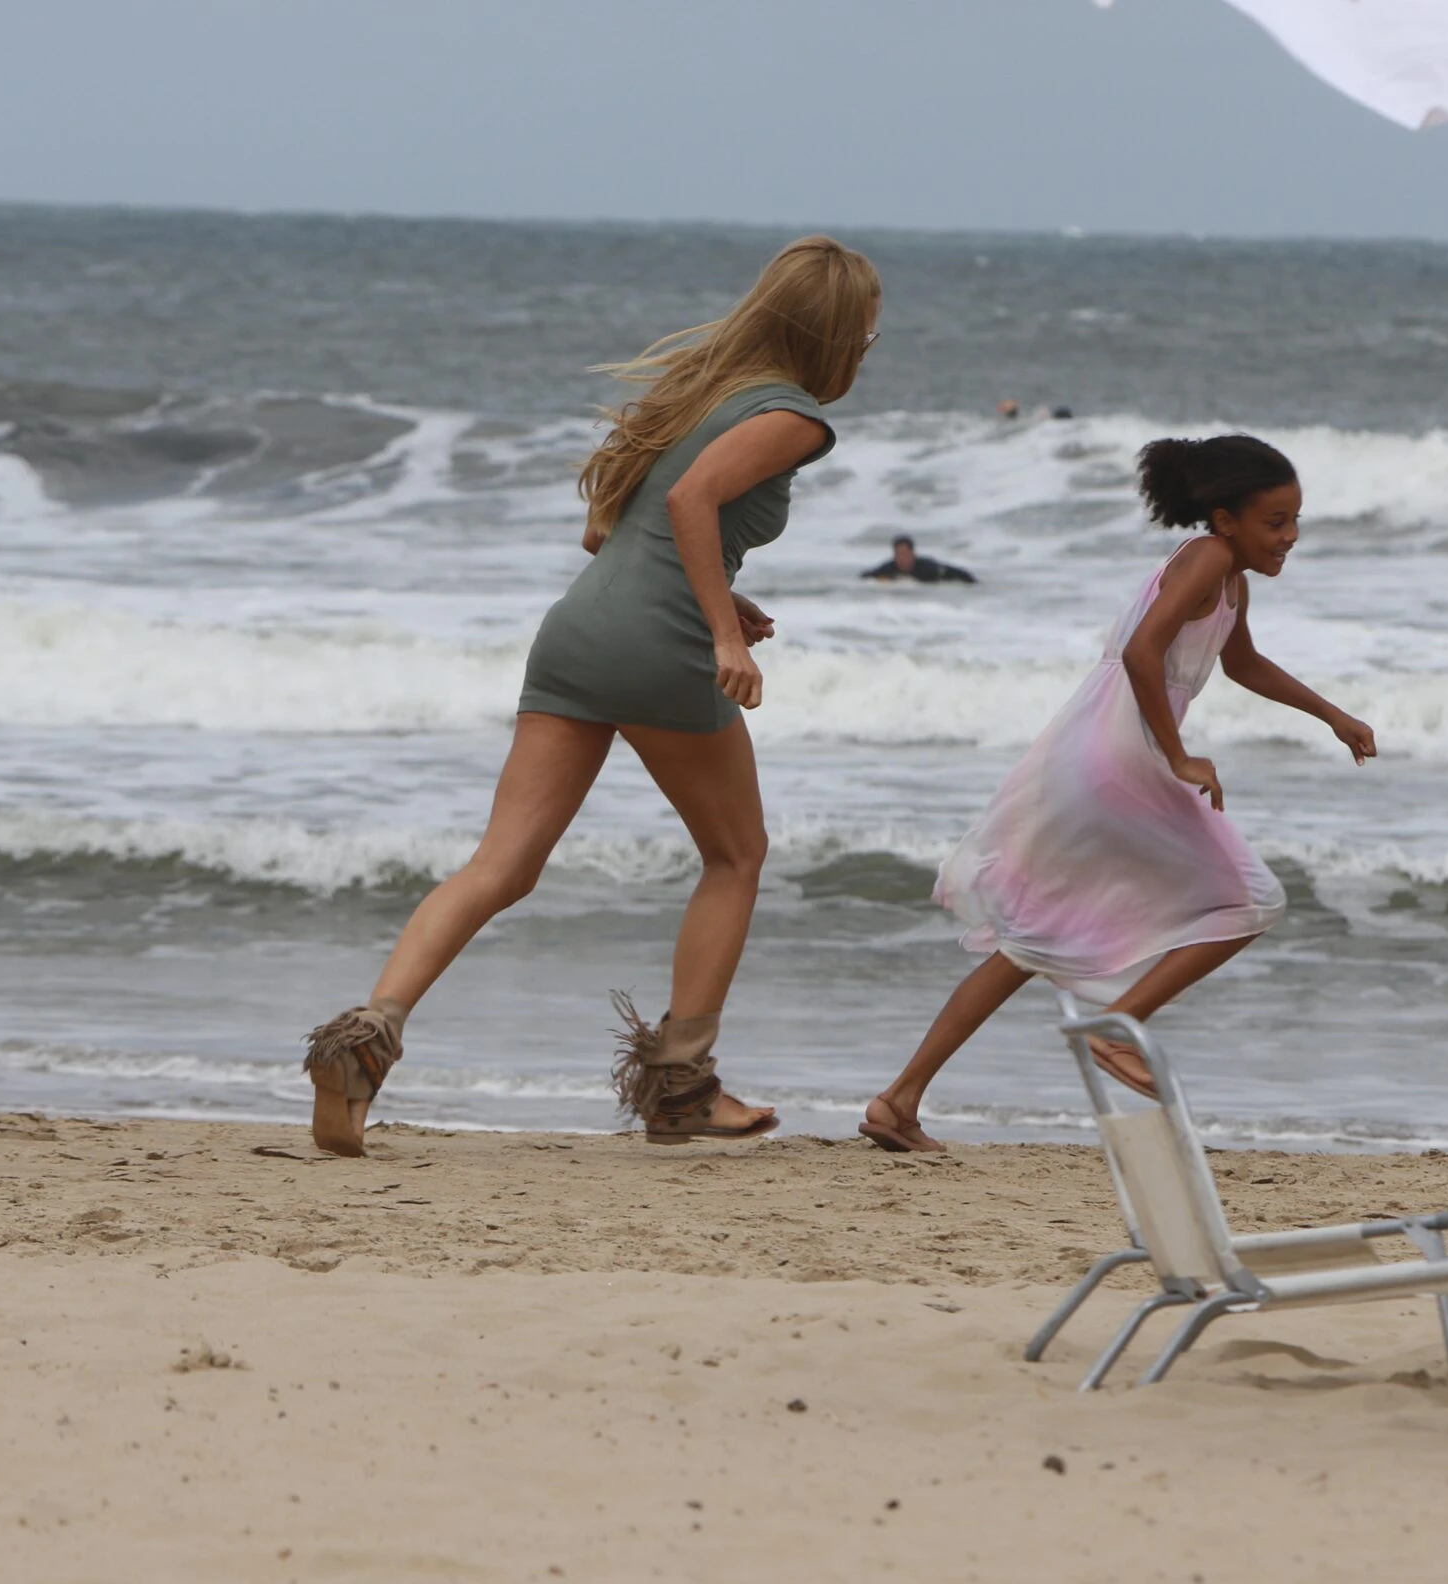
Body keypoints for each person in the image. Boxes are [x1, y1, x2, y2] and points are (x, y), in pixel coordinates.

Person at [298, 236, 882, 1157]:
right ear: (841, 333)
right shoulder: (794, 417)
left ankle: (368, 1036)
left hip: (576, 635)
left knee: (501, 865)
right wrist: (722, 633)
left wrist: (722, 592)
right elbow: (691, 505)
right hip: (659, 650)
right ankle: (682, 1087)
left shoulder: (693, 392)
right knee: (737, 856)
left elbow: (607, 531)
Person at [855, 434, 1375, 1152]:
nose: (1290, 536)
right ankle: (1119, 1027)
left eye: (1295, 520)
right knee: (1251, 899)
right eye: (1275, 521)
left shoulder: (1230, 576)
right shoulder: (1210, 558)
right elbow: (1142, 652)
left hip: (1093, 753)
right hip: (1120, 754)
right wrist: (1177, 753)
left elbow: (1244, 661)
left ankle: (898, 1099)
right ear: (1225, 520)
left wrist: (1332, 715)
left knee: (1026, 941)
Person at [862, 535, 978, 584]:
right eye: (898, 555)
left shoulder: (927, 568)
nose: (902, 559)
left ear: (913, 553)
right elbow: (866, 576)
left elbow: (960, 574)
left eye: (905, 554)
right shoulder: (889, 568)